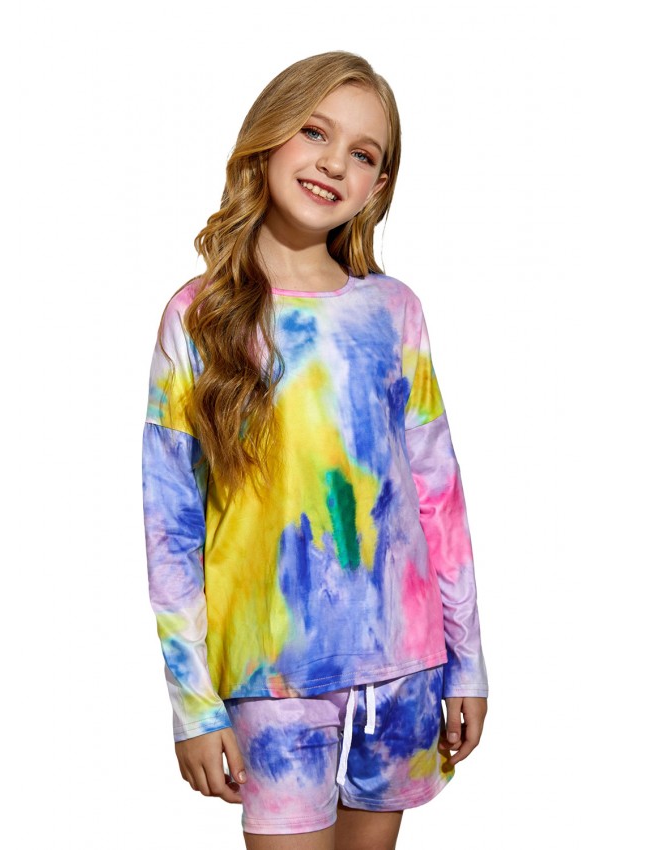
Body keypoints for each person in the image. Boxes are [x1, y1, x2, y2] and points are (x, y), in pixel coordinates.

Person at [141, 50, 489, 849]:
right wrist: (193, 704)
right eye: (314, 132)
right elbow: (170, 529)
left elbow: (438, 497)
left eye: (363, 153)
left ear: (378, 186)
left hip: (404, 669)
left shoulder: (394, 312)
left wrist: (466, 660)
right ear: (268, 138)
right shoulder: (198, 318)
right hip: (273, 674)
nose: (335, 163)